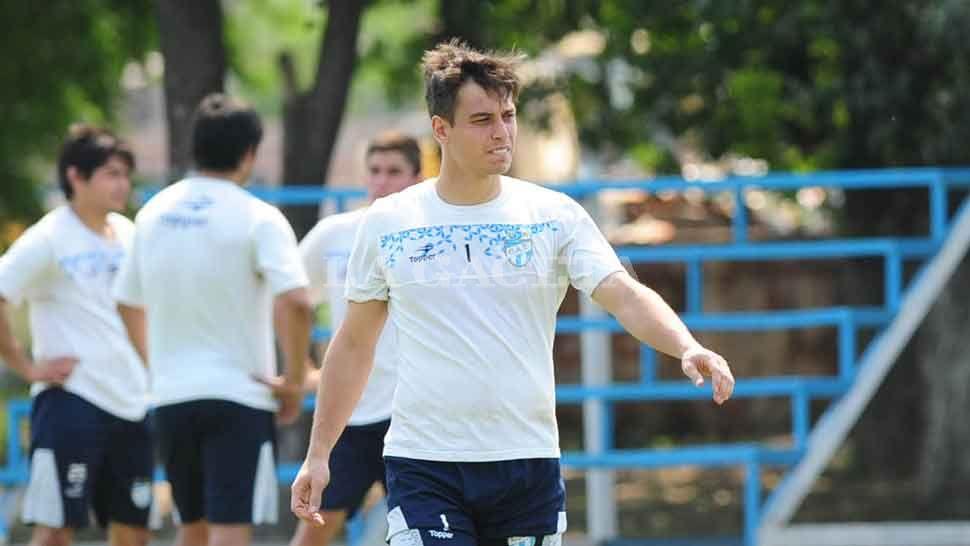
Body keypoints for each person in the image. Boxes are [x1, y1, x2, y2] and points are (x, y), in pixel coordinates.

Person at [291, 40, 735, 546]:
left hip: (526, 462)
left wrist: (686, 345)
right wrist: (319, 454)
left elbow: (623, 293)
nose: (501, 132)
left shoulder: (553, 215)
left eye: (508, 116)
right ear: (441, 129)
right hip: (425, 463)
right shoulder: (389, 223)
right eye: (482, 120)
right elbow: (353, 345)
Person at [112, 94, 313, 546]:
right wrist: (294, 381)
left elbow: (125, 301)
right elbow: (298, 302)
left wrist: (155, 366)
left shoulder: (153, 214)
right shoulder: (258, 216)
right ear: (249, 153)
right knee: (229, 531)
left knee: (193, 527)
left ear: (194, 147)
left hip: (172, 396)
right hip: (239, 396)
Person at [0, 125, 152, 546]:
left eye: (126, 175)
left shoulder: (129, 233)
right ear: (76, 176)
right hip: (71, 402)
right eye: (111, 174)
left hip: (131, 402)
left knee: (134, 533)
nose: (122, 184)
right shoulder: (48, 237)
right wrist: (26, 366)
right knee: (55, 532)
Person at [276, 131, 423, 546]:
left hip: (411, 415)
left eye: (394, 171)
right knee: (313, 530)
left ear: (417, 177)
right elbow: (289, 298)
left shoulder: (431, 239)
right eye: (374, 170)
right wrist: (301, 370)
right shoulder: (336, 234)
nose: (382, 181)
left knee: (428, 531)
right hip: (349, 416)